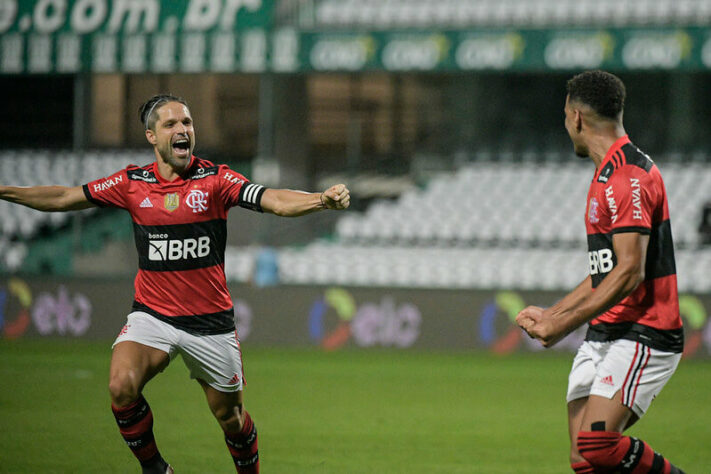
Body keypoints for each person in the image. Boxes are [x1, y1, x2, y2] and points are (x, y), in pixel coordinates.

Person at [0, 94, 350, 473]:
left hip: (210, 324)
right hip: (153, 316)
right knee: (121, 386)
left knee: (231, 419)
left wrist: (320, 200)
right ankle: (156, 469)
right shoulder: (131, 183)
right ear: (152, 136)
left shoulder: (217, 180)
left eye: (187, 122)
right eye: (171, 124)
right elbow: (65, 196)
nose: (183, 130)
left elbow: (274, 199)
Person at [515, 71, 685, 474]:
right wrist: (553, 313)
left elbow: (629, 273)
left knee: (598, 443)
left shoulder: (627, 177)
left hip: (644, 330)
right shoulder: (608, 173)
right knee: (583, 457)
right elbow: (603, 273)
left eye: (564, 117)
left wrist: (562, 326)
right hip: (607, 332)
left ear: (576, 117)